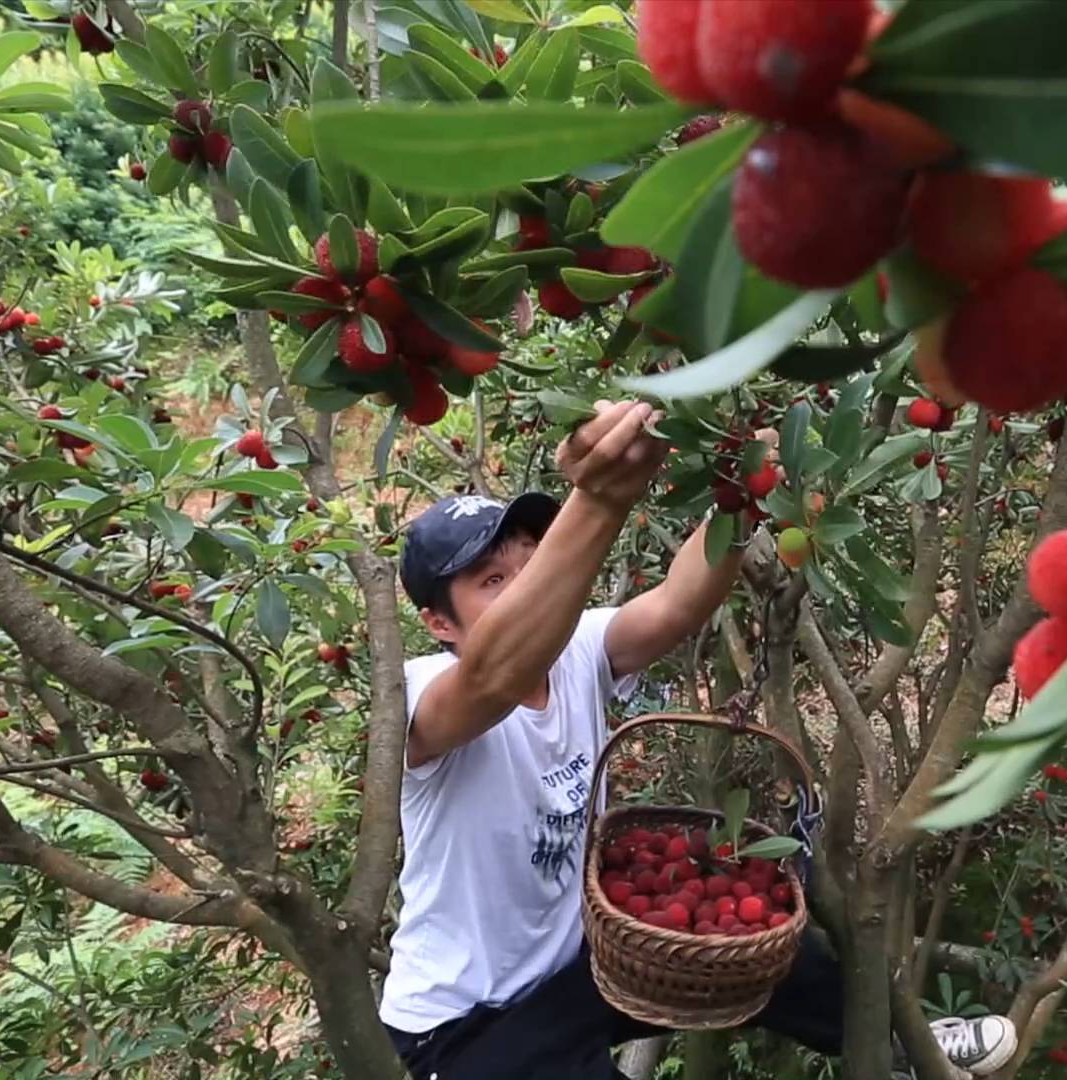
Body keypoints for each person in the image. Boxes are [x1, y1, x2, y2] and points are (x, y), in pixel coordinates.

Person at [380, 400, 1018, 1079]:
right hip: (468, 1025)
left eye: (531, 569)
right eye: (491, 582)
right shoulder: (418, 695)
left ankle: (903, 1046)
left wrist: (744, 488)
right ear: (438, 622)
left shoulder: (577, 649)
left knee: (766, 954)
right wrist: (599, 499)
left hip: (584, 962)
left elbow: (679, 603)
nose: (522, 592)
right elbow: (494, 677)